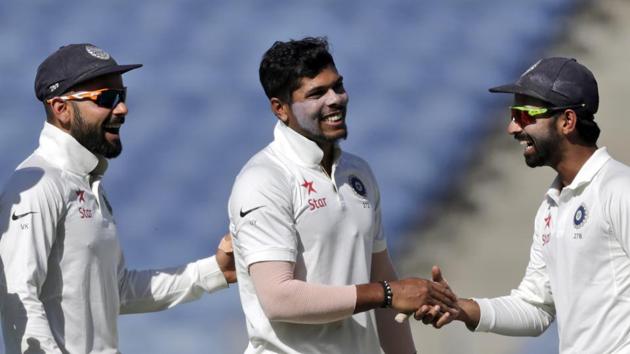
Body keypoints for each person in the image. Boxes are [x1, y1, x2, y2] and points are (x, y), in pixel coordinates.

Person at [0, 43, 236, 354]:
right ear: (61, 109)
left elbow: (118, 289)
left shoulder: (88, 183)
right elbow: (17, 295)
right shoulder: (38, 185)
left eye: (121, 97)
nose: (122, 109)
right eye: (106, 99)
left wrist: (213, 272)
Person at [227, 36, 457, 354]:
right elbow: (278, 299)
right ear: (280, 109)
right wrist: (386, 293)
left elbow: (383, 282)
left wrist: (391, 297)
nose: (335, 99)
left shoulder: (358, 173)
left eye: (338, 86)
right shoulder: (263, 180)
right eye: (317, 93)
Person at [424, 57, 630, 353]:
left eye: (523, 115)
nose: (511, 128)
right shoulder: (551, 206)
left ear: (567, 121)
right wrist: (461, 309)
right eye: (513, 114)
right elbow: (536, 308)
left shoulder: (619, 189)